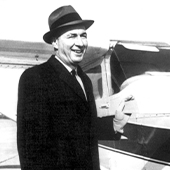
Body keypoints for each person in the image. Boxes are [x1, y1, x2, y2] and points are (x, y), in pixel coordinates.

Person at [17, 5, 131, 170]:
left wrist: (115, 123)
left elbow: (82, 126)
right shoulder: (36, 77)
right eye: (71, 36)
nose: (80, 43)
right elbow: (30, 146)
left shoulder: (84, 79)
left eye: (83, 35)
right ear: (55, 42)